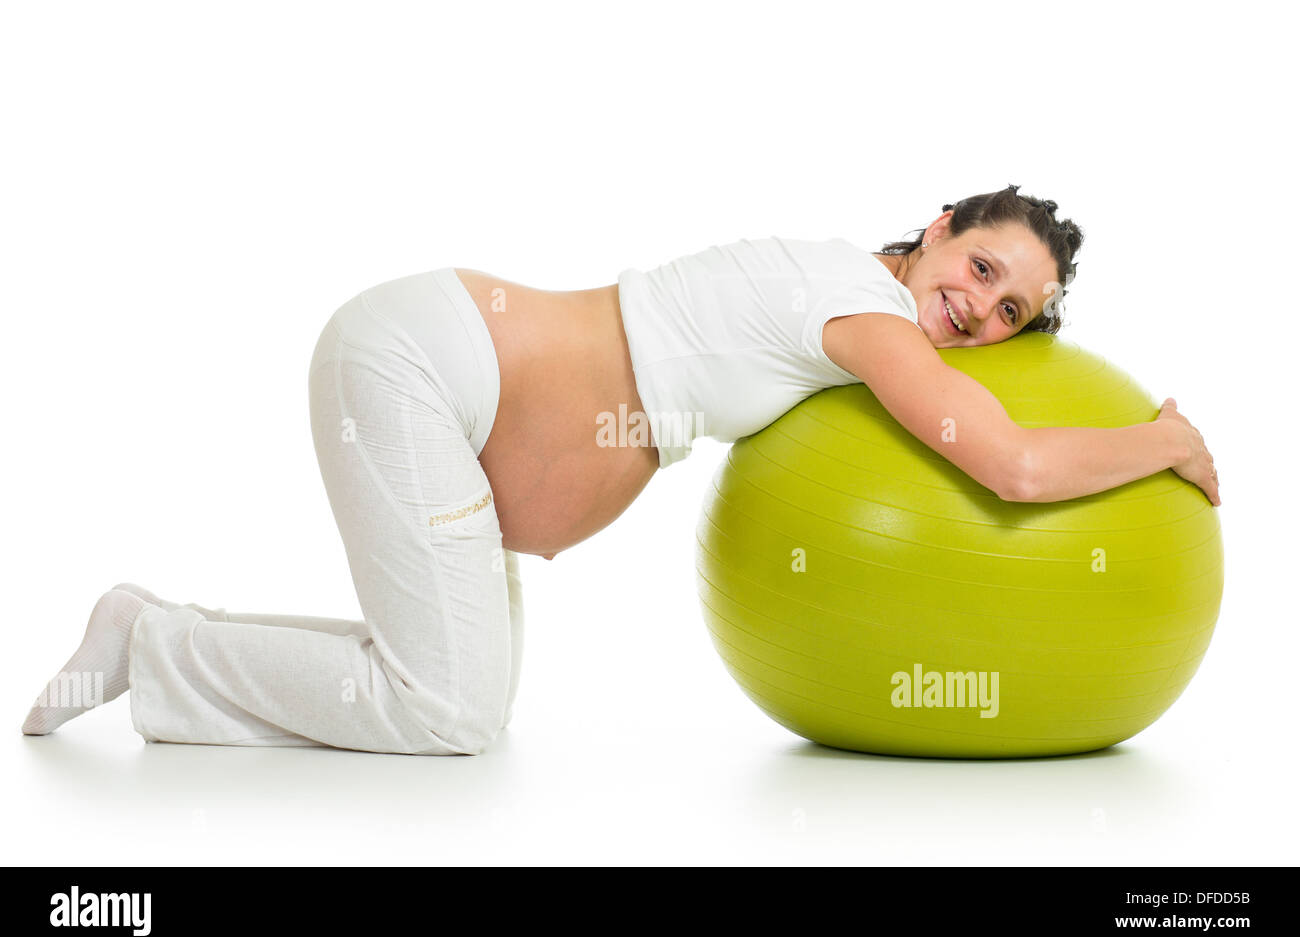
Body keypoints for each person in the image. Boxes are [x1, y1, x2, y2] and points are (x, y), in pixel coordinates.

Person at [20, 184, 1220, 755]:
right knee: (448, 706)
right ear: (939, 225)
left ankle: (164, 641)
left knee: (444, 686)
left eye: (1014, 310)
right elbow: (1004, 463)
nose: (982, 308)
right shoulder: (862, 314)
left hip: (440, 370)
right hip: (423, 365)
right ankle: (151, 641)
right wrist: (1165, 442)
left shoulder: (846, 285)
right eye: (980, 265)